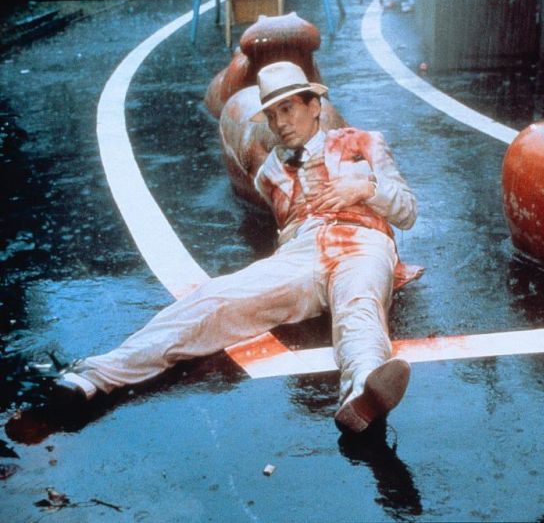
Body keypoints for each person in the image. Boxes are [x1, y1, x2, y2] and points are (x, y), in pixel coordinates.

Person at [45, 61, 420, 434]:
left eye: (287, 109)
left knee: (359, 304)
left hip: (362, 242)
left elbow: (407, 212)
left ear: (315, 106)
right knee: (214, 299)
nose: (280, 123)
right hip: (301, 254)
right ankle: (93, 376)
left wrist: (366, 189)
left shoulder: (365, 142)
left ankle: (364, 389)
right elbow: (282, 221)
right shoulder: (270, 171)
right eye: (271, 115)